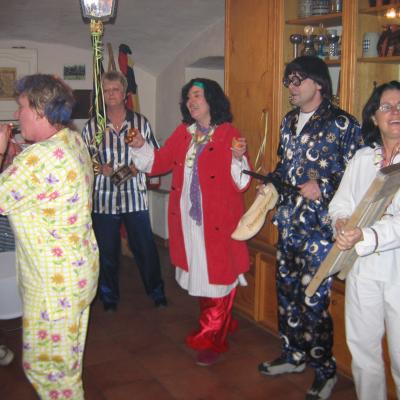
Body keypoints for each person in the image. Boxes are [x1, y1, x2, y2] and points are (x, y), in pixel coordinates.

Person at [257, 56, 363, 400]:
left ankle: (325, 370)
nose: (291, 86)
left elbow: (359, 174)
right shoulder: (288, 121)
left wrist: (324, 185)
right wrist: (271, 183)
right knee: (287, 296)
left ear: (318, 83)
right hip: (289, 224)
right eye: (288, 80)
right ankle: (293, 355)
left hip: (321, 231)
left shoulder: (343, 124)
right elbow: (284, 166)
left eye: (297, 80)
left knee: (314, 303)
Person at [128, 78, 251, 366]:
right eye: (188, 97)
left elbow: (241, 183)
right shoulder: (185, 133)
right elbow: (159, 163)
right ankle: (221, 322)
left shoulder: (228, 133)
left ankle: (212, 337)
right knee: (201, 272)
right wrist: (141, 145)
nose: (191, 102)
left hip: (218, 221)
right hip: (189, 219)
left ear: (212, 100)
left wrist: (238, 158)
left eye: (197, 96)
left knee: (218, 276)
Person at [0, 74, 99, 399]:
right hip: (76, 273)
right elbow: (41, 181)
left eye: (22, 107)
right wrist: (18, 158)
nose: (17, 115)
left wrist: (1, 153)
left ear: (41, 110)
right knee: (64, 362)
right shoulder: (72, 139)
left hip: (53, 285)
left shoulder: (38, 159)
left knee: (48, 370)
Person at [329, 80, 400, 400]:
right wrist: (341, 222)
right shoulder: (362, 158)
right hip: (362, 266)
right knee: (363, 351)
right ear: (374, 116)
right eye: (386, 107)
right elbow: (340, 202)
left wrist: (365, 234)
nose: (395, 112)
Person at [81, 71, 167, 311]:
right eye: (106, 90)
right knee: (106, 252)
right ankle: (109, 298)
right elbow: (82, 159)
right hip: (103, 200)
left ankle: (156, 292)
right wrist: (100, 168)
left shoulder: (141, 123)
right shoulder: (92, 127)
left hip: (134, 198)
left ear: (125, 94)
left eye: (115, 89)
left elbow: (155, 155)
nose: (110, 94)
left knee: (145, 249)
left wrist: (136, 167)